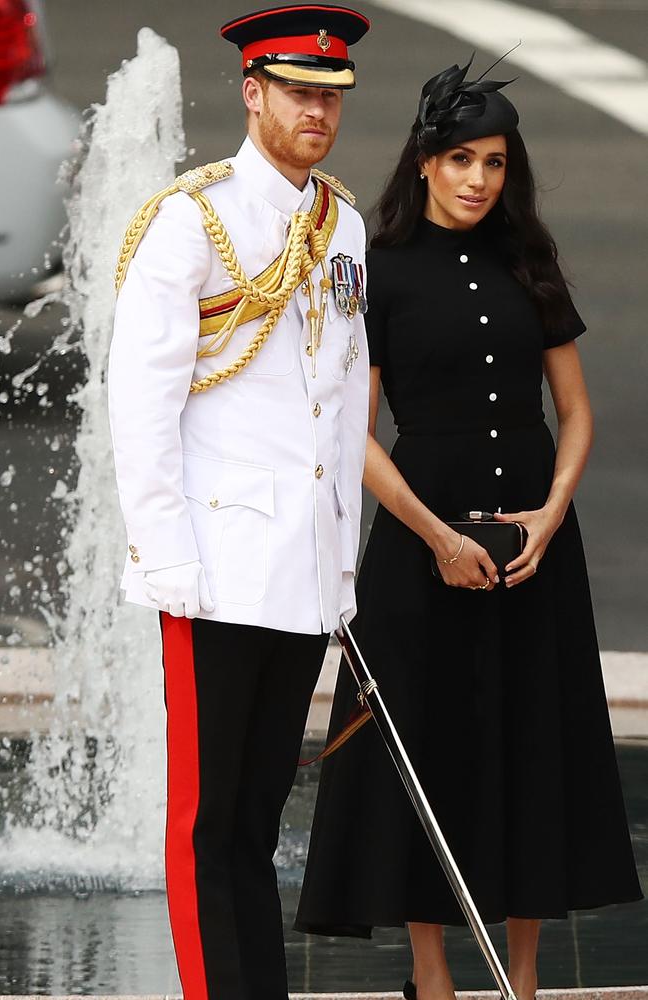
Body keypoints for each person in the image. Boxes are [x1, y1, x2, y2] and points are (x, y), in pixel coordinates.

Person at [295, 58, 643, 1000]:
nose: (477, 180)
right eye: (458, 159)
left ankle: (522, 979)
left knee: (537, 741)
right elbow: (351, 431)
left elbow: (573, 412)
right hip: (419, 541)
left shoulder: (530, 259)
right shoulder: (375, 267)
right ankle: (433, 979)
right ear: (423, 163)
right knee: (424, 749)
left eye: (493, 162)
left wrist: (553, 511)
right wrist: (436, 536)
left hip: (536, 543)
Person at [108, 6, 370, 999]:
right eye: (299, 93)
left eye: (330, 97)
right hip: (213, 569)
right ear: (252, 92)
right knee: (204, 827)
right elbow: (143, 402)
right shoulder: (192, 217)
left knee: (255, 823)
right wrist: (166, 558)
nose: (317, 113)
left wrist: (338, 572)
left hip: (297, 573)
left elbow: (339, 403)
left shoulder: (337, 222)